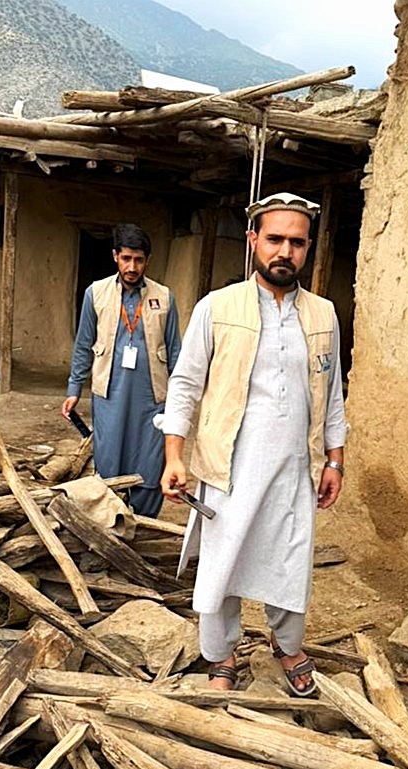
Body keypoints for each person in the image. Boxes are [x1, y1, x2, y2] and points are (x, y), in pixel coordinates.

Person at [157, 191, 348, 696]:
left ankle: (287, 645)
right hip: (229, 469)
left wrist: (335, 459)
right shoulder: (218, 307)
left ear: (307, 249)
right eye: (275, 239)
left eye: (297, 242)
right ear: (253, 242)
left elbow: (332, 396)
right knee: (225, 561)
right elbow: (185, 384)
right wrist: (175, 454)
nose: (285, 251)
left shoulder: (323, 314)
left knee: (290, 559)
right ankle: (221, 656)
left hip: (295, 470)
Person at [61, 224, 180, 517]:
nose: (132, 267)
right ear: (115, 256)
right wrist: (74, 389)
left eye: (138, 260)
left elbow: (175, 349)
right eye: (126, 258)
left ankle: (143, 521)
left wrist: (180, 399)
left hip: (152, 396)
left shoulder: (164, 297)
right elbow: (83, 344)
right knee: (109, 456)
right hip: (109, 393)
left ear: (147, 260)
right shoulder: (96, 293)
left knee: (151, 459)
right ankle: (110, 519)